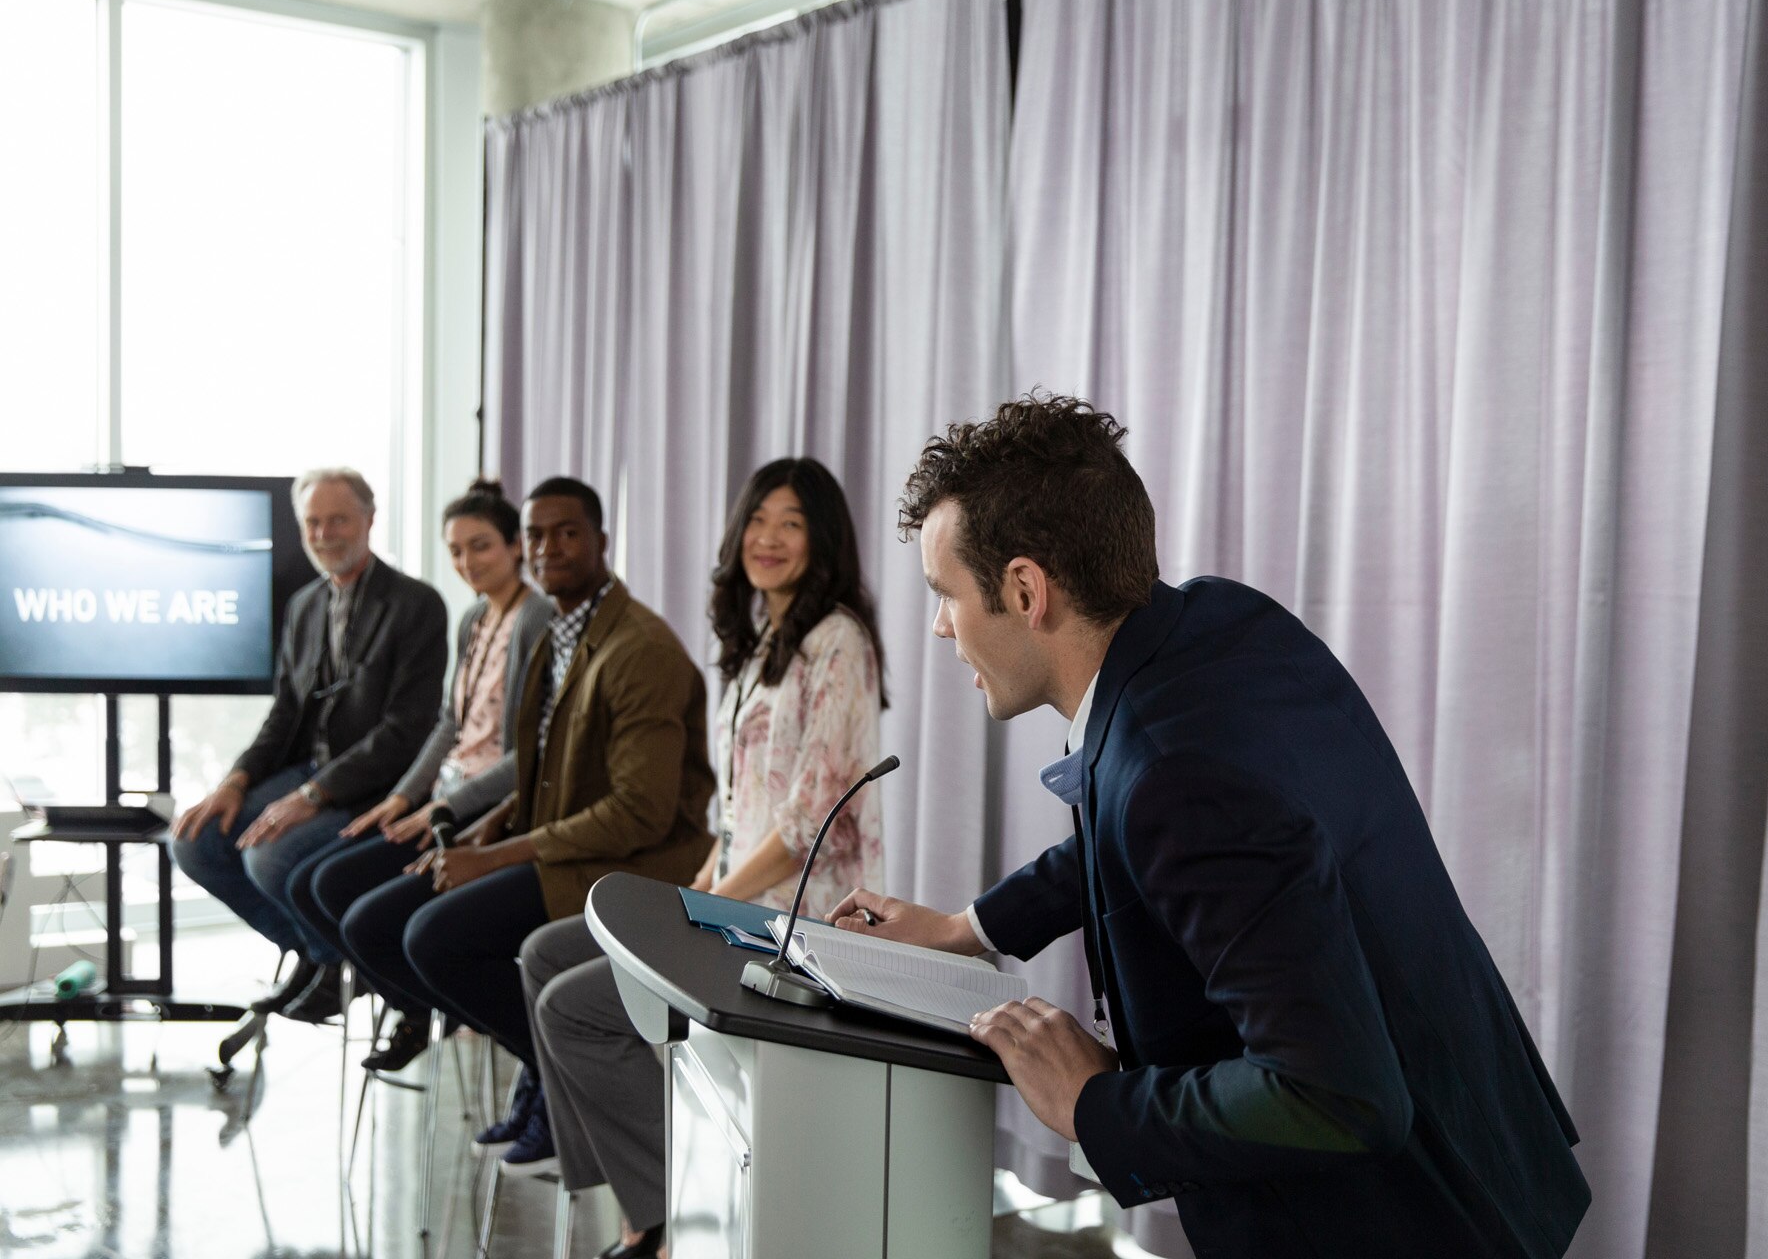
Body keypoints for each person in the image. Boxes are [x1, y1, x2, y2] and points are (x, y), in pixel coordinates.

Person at [826, 395, 1592, 1259]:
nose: (940, 626)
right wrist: (971, 928)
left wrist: (1091, 1102)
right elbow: (1138, 831)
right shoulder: (1215, 624)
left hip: (1398, 1221)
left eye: (945, 594)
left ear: (1025, 589)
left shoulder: (1174, 778)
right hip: (1485, 1154)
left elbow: (1342, 1097)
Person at [516, 457, 887, 1256]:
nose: (769, 539)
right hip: (734, 901)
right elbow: (741, 806)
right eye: (758, 520)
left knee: (572, 1011)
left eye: (791, 523)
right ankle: (640, 1192)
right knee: (546, 954)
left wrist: (709, 900)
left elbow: (809, 815)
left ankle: (656, 1217)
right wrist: (702, 885)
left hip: (795, 926)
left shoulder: (839, 643)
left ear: (822, 539)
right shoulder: (763, 643)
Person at [400, 476, 714, 1173]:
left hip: (629, 869)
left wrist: (503, 854)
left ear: (602, 542)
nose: (548, 548)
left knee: (435, 939)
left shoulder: (641, 649)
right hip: (570, 846)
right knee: (408, 921)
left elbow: (640, 811)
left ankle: (556, 1074)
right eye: (537, 534)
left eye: (566, 532)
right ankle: (545, 1070)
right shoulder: (562, 631)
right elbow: (550, 764)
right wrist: (494, 825)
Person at [293, 478, 554, 1071]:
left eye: (481, 546)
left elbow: (528, 753)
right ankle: (420, 1006)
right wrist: (404, 796)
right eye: (456, 550)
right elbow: (448, 724)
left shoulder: (536, 620)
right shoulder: (473, 619)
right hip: (438, 803)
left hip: (480, 816)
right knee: (317, 884)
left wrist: (447, 812)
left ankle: (437, 1009)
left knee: (355, 910)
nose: (467, 562)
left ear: (516, 546)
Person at [170, 468, 446, 1023]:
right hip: (311, 772)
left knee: (270, 859)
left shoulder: (417, 605)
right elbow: (284, 715)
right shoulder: (304, 607)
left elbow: (407, 731)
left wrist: (313, 796)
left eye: (337, 519)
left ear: (370, 519)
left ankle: (335, 968)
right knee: (195, 841)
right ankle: (321, 957)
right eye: (312, 523)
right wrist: (235, 782)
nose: (324, 534)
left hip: (379, 787)